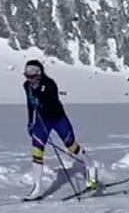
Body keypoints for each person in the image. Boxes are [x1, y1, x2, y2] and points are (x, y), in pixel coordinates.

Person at [23, 60, 97, 200]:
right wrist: (30, 122)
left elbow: (51, 104)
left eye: (31, 76)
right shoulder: (27, 86)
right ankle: (37, 188)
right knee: (37, 151)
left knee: (72, 146)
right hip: (41, 121)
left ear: (39, 74)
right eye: (26, 76)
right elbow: (30, 104)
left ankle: (90, 167)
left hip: (57, 119)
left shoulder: (50, 84)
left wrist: (40, 98)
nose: (28, 79)